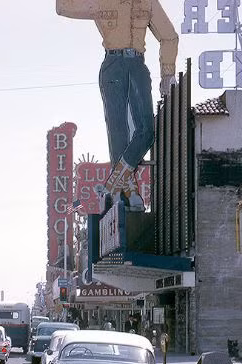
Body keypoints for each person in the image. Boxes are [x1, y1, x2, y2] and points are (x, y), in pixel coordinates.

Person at [56, 0, 178, 211]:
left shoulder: (148, 2)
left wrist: (167, 73)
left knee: (146, 132)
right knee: (118, 134)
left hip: (137, 66)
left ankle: (112, 186)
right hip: (112, 67)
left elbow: (169, 36)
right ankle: (129, 194)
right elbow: (64, 7)